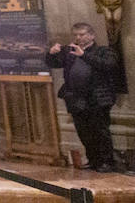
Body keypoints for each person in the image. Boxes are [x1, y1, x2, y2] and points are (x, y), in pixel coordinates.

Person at [47, 23, 120, 171]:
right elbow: (53, 63)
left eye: (82, 34)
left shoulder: (103, 51)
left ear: (92, 35)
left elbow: (109, 65)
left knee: (100, 131)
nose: (78, 37)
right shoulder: (70, 52)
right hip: (76, 98)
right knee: (84, 132)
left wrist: (84, 55)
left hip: (97, 98)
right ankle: (93, 160)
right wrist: (51, 53)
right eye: (76, 35)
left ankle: (106, 162)